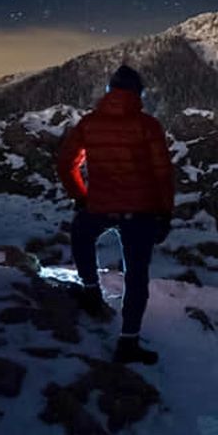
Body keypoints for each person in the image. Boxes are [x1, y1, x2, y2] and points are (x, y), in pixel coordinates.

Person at [57, 64, 174, 365]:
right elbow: (162, 174)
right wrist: (164, 213)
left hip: (100, 206)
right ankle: (128, 342)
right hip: (142, 212)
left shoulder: (89, 123)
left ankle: (91, 292)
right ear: (139, 94)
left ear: (109, 92)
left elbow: (66, 164)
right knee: (136, 277)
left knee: (82, 236)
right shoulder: (148, 126)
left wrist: (82, 198)